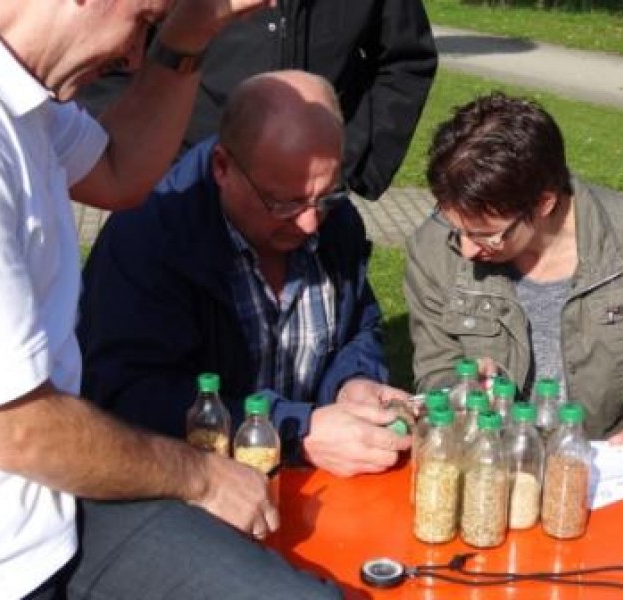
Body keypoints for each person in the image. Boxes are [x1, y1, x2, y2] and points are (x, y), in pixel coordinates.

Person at [0, 2, 342, 599]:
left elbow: (121, 169)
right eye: (143, 21)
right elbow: (16, 428)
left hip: (54, 503)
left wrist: (190, 31)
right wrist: (201, 475)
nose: (134, 57)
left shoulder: (23, 93)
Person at [78, 70, 413, 479]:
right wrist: (294, 430)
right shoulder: (149, 240)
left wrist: (353, 382)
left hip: (312, 484)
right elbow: (130, 397)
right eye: (283, 203)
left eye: (325, 196)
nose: (310, 223)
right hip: (189, 489)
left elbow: (359, 325)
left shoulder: (335, 220)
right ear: (223, 167)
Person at [404, 93, 623, 460]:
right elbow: (436, 367)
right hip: (488, 459)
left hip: (602, 458)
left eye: (486, 235)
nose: (467, 250)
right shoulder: (431, 248)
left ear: (544, 203)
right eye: (457, 228)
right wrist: (461, 390)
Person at [76, 0, 438, 201]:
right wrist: (152, 165)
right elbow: (106, 58)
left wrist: (348, 162)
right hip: (184, 187)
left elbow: (406, 61)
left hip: (310, 205)